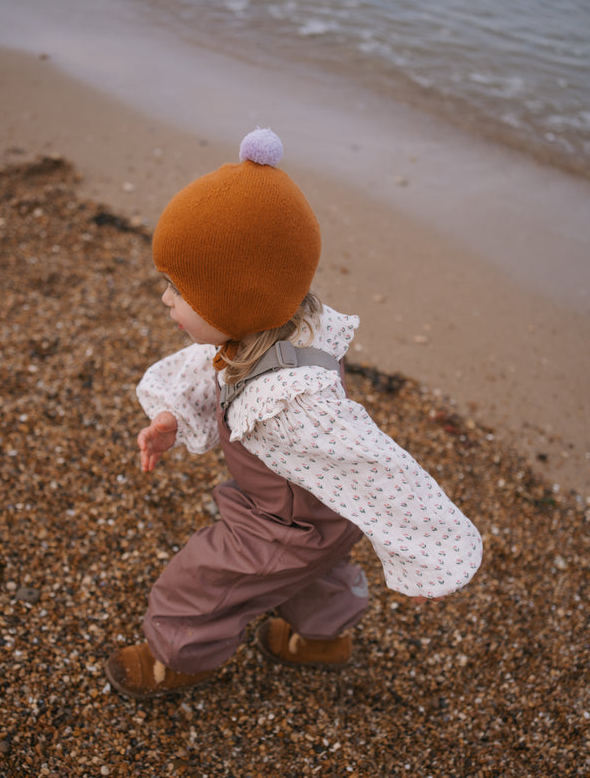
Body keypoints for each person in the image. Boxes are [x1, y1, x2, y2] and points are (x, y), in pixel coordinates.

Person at [105, 128, 483, 699]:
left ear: (237, 298)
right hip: (325, 516)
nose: (165, 299)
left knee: (202, 581)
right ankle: (324, 640)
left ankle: (178, 660)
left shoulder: (295, 402)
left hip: (279, 526)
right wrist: (172, 417)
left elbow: (379, 467)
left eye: (178, 290)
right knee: (316, 576)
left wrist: (427, 553)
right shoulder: (284, 327)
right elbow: (205, 369)